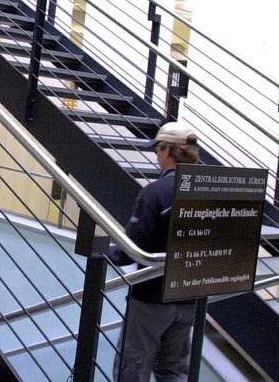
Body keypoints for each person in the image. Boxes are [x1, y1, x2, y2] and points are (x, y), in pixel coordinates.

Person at [108, 121, 201, 382]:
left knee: (133, 369)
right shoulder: (205, 191)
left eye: (158, 150)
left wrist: (107, 251)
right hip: (188, 297)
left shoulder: (155, 193)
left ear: (168, 151)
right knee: (173, 371)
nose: (157, 156)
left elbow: (133, 250)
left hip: (151, 298)